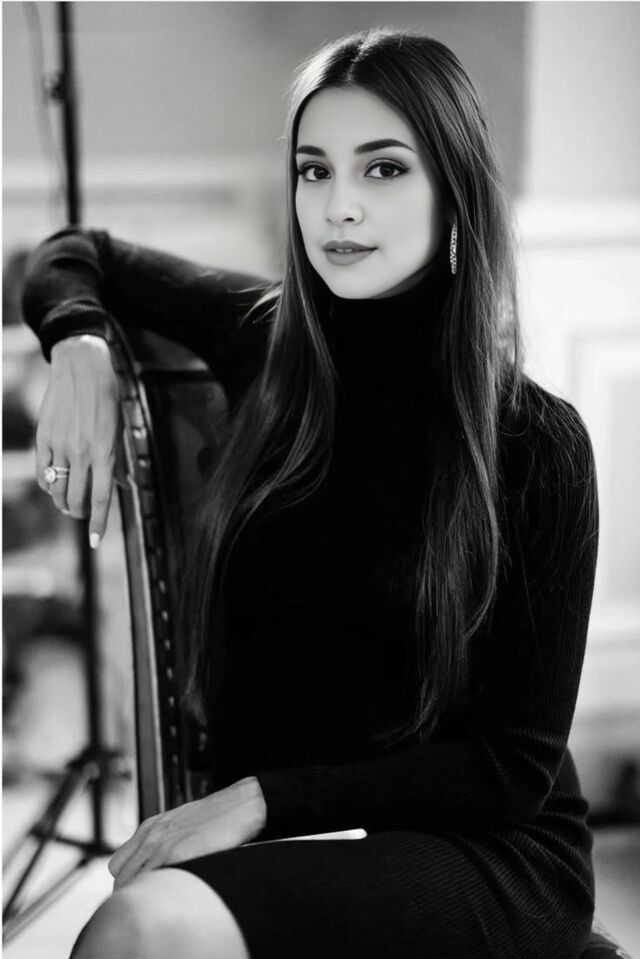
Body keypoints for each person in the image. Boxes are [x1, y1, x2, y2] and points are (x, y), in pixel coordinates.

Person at [22, 28, 599, 959]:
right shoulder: (265, 344)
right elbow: (73, 251)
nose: (339, 207)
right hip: (301, 839)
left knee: (140, 930)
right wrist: (80, 342)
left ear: (455, 191)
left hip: (484, 853)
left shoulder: (538, 441)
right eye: (313, 170)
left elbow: (511, 768)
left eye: (384, 170)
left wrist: (261, 801)